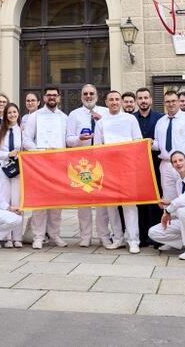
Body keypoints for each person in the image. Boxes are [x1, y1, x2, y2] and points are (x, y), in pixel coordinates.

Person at [94, 90, 143, 253]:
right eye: (111, 100)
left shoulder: (130, 119)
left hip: (128, 168)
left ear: (121, 102)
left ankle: (133, 240)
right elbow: (97, 148)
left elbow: (138, 142)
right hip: (108, 170)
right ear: (106, 103)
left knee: (130, 205)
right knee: (111, 207)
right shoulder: (101, 123)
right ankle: (118, 238)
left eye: (117, 99)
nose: (114, 102)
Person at [22, 86, 68, 248]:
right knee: (40, 202)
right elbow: (26, 140)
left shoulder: (64, 117)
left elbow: (67, 141)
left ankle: (55, 235)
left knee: (57, 203)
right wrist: (40, 150)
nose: (52, 98)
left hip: (58, 164)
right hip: (40, 164)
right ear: (44, 98)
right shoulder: (34, 117)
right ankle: (38, 237)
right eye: (49, 95)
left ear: (59, 98)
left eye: (55, 95)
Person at [66, 84, 110, 247]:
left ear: (97, 96)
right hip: (81, 162)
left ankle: (104, 235)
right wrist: (79, 139)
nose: (89, 96)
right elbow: (68, 139)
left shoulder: (105, 112)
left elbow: (113, 135)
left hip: (101, 160)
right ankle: (85, 236)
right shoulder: (74, 114)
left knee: (101, 202)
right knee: (83, 201)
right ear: (81, 97)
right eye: (86, 94)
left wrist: (102, 122)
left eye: (92, 93)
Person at [153, 91, 185, 208]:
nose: (171, 104)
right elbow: (157, 144)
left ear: (178, 102)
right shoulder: (160, 122)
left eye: (173, 101)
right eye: (168, 101)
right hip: (166, 165)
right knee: (168, 199)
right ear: (165, 103)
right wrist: (146, 143)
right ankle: (172, 224)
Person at [148, 151, 185, 257]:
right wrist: (169, 203)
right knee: (153, 232)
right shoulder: (178, 183)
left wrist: (168, 210)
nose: (178, 163)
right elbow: (183, 200)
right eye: (175, 162)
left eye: (181, 160)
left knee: (182, 211)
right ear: (172, 165)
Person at [133, 87, 163, 247]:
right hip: (137, 166)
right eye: (140, 98)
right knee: (141, 201)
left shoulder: (161, 118)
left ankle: (157, 237)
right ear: (137, 101)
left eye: (146, 98)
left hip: (156, 164)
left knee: (157, 200)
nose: (143, 101)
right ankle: (143, 237)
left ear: (151, 100)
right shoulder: (130, 118)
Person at [0, 103, 25, 247]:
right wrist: (7, 154)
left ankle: (17, 237)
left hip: (19, 171)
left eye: (14, 112)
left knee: (17, 202)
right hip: (3, 169)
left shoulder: (22, 130)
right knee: (5, 202)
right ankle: (7, 237)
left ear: (18, 113)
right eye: (9, 113)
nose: (12, 115)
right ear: (5, 115)